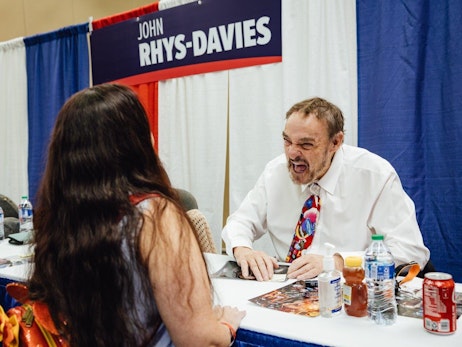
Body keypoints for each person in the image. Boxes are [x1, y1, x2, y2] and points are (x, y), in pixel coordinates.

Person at [28, 84, 245, 347]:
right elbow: (199, 340)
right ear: (136, 143)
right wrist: (225, 326)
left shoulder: (58, 219)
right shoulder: (155, 217)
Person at [222, 97, 430, 282]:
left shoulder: (374, 175)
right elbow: (241, 221)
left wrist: (339, 263)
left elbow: (410, 251)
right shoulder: (274, 172)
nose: (292, 153)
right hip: (289, 289)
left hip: (351, 291)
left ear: (335, 142)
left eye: (306, 144)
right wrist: (242, 249)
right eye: (287, 141)